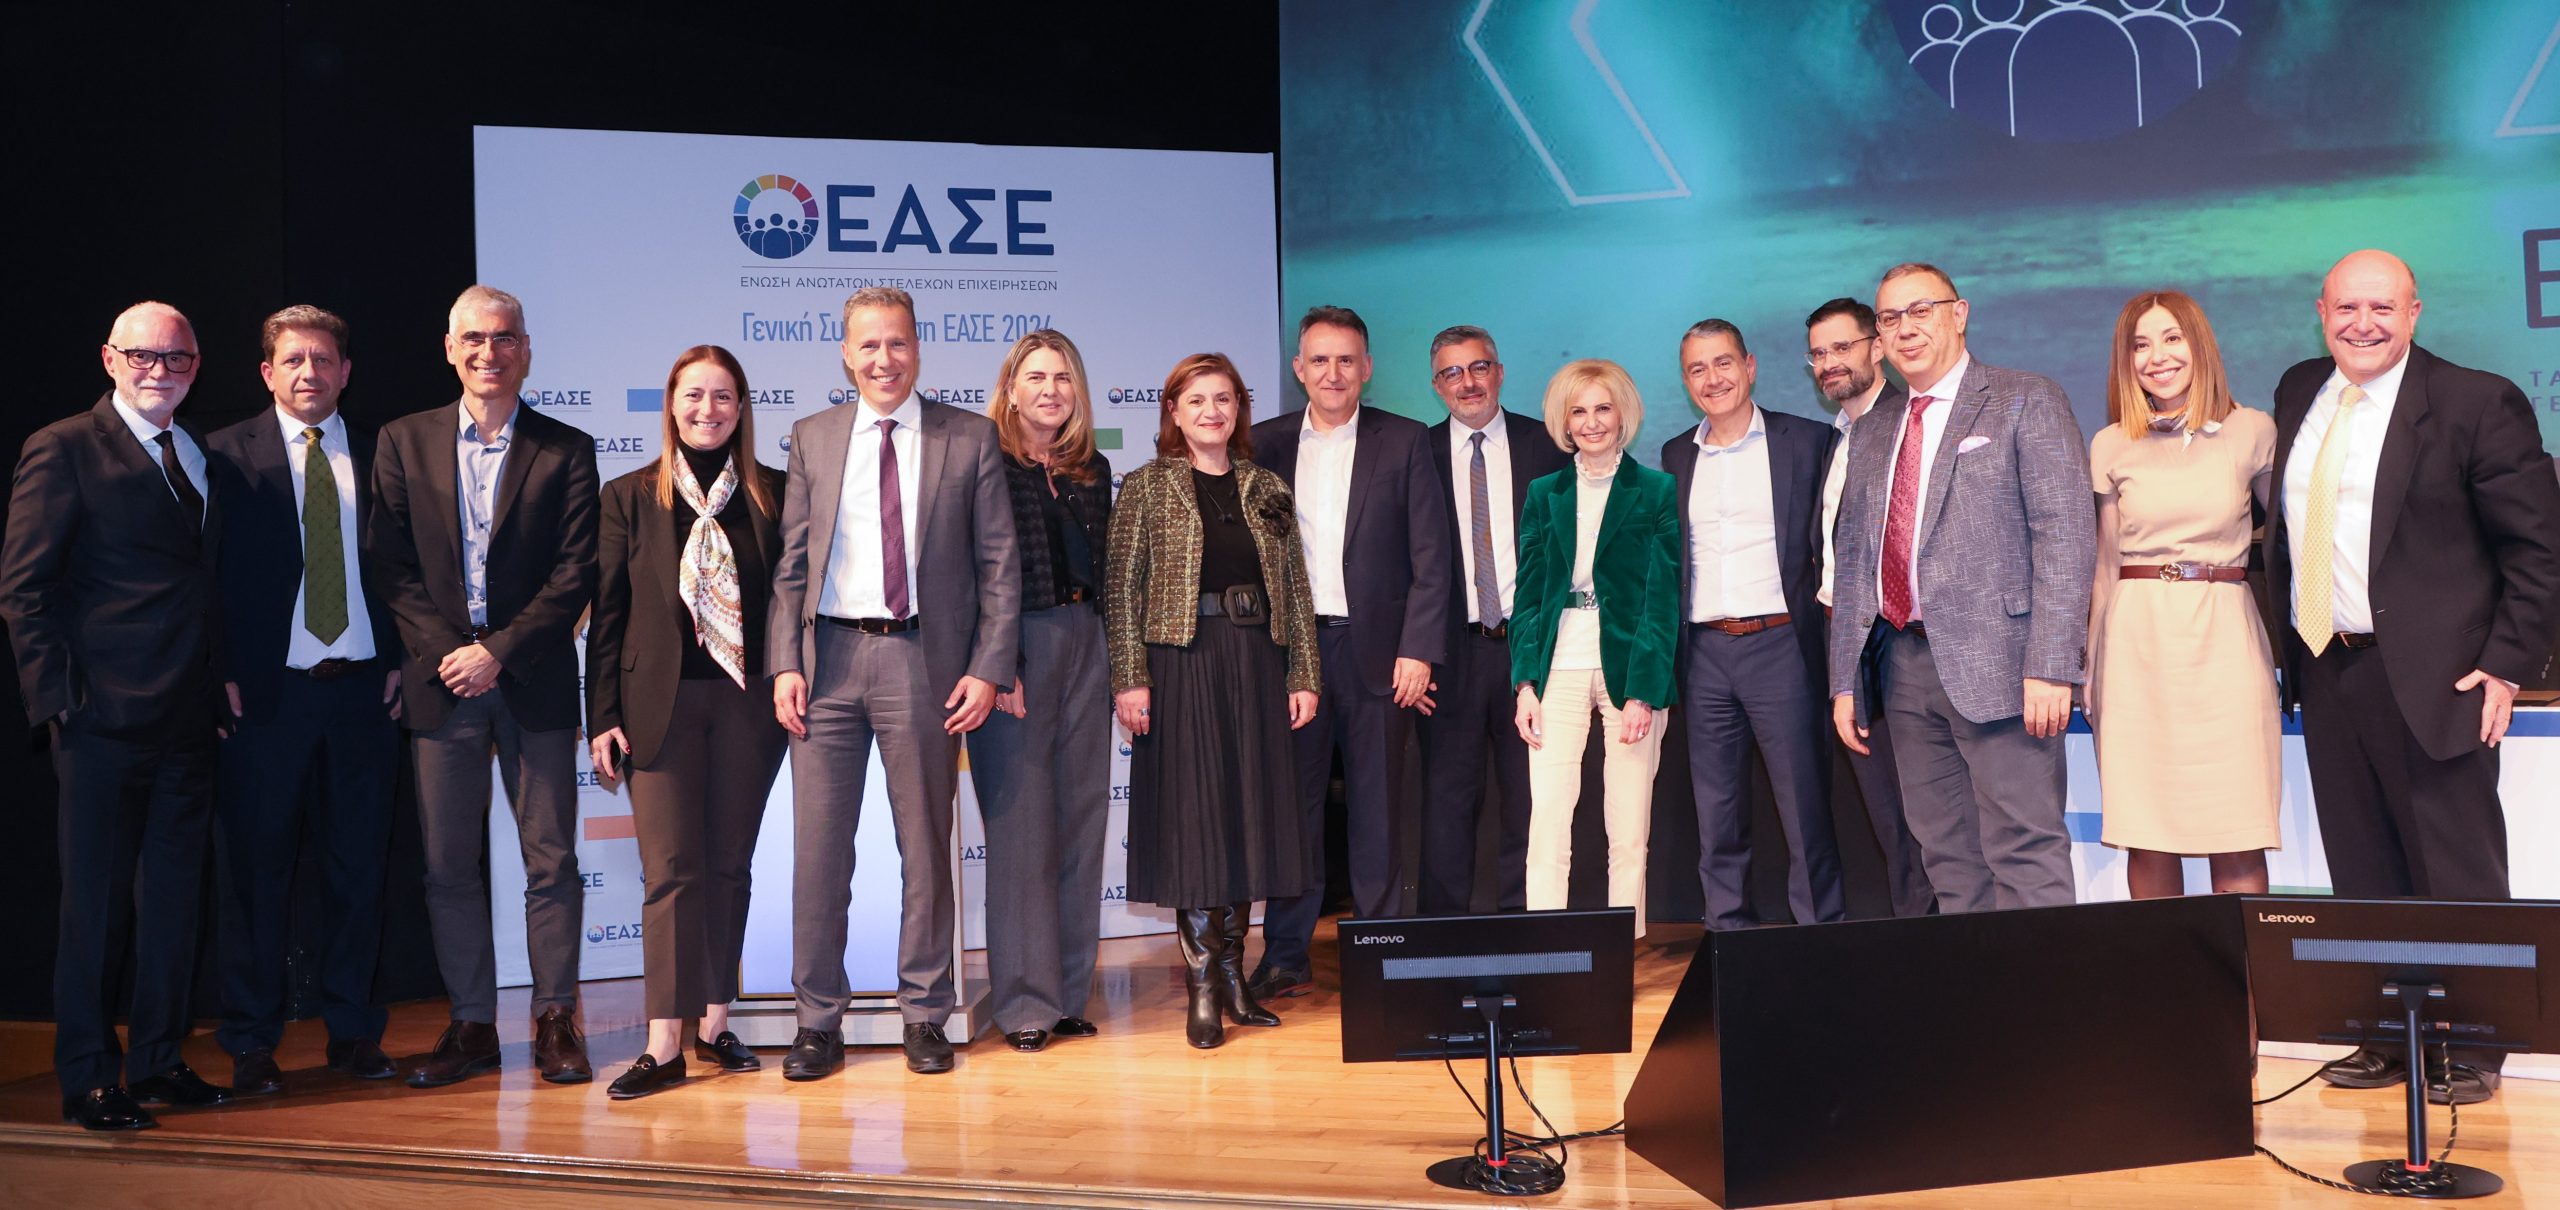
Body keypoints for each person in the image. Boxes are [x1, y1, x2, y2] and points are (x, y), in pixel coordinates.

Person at [2269, 250, 2560, 1105]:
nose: (2363, 324)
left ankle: (2474, 1044)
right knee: (2363, 868)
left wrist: (2506, 664)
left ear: (2415, 312)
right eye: (2346, 308)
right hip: (2328, 667)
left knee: (2455, 872)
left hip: (2444, 678)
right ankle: (2388, 1034)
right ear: (2321, 311)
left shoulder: (2476, 402)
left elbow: (2538, 551)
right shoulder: (2298, 390)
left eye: (2382, 308)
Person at [769, 286, 1019, 1080]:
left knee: (925, 850)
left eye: (898, 343)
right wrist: (785, 662)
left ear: (918, 347)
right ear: (846, 354)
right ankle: (817, 1023)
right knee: (819, 855)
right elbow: (791, 566)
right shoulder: (811, 437)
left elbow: (1000, 566)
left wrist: (988, 667)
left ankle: (925, 1013)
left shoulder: (968, 438)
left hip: (924, 663)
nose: (884, 359)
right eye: (869, 345)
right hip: (829, 664)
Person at [1, 302, 233, 1130]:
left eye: (177, 358)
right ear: (110, 359)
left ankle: (160, 1060)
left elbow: (202, 584)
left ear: (196, 366)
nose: (159, 370)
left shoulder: (199, 452)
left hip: (188, 720)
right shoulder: (63, 447)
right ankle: (90, 1074)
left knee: (173, 903)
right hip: (100, 721)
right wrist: (59, 701)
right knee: (96, 908)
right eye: (143, 356)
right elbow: (23, 589)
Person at [371, 284, 600, 1088]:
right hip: (442, 683)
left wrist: (497, 651)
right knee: (447, 866)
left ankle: (554, 1018)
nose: (488, 353)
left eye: (504, 338)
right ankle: (471, 1024)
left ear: (525, 350)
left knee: (552, 861)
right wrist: (451, 654)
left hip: (532, 678)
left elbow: (576, 572)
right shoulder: (402, 440)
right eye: (473, 338)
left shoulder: (566, 449)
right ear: (449, 348)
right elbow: (391, 565)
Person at [1828, 263, 2094, 914]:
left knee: (2025, 848)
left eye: (1921, 310)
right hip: (1903, 668)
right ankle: (1978, 981)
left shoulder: (2024, 398)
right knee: (1945, 854)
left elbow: (2065, 536)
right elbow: (1854, 560)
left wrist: (2051, 666)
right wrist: (1845, 682)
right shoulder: (1873, 430)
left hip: (2006, 669)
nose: (1905, 328)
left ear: (1959, 313)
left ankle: (2044, 984)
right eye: (1889, 318)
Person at [204, 305, 403, 1097]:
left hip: (362, 695)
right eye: (293, 359)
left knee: (358, 870)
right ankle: (252, 1039)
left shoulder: (385, 454)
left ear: (346, 372)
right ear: (267, 372)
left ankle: (352, 1030)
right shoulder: (222, 455)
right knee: (256, 872)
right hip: (266, 699)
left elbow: (410, 569)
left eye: (323, 359)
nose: (309, 372)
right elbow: (205, 575)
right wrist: (218, 668)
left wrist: (402, 658)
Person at [586, 345, 788, 1100]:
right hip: (657, 710)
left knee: (729, 866)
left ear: (742, 408)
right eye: (694, 395)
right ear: (671, 404)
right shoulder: (628, 496)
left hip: (747, 706)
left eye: (723, 396)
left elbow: (790, 602)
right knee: (672, 871)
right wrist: (602, 715)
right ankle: (662, 1043)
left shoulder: (774, 493)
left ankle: (714, 1024)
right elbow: (607, 616)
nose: (708, 410)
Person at [1107, 352, 1320, 1049]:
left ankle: (1234, 978)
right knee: (1197, 820)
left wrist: (1303, 674)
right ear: (1173, 411)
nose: (1211, 411)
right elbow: (1122, 590)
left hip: (1257, 659)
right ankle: (1202, 986)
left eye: (1223, 399)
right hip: (1182, 663)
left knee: (1249, 817)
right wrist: (1129, 677)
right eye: (1196, 400)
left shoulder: (1266, 486)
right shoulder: (1146, 487)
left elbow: (1295, 588)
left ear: (1239, 409)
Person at [1247, 306, 1451, 1000]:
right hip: (1293, 656)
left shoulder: (1406, 440)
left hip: (1380, 656)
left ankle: (1381, 952)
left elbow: (1432, 555)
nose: (1332, 373)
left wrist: (1418, 648)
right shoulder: (1264, 444)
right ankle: (1285, 955)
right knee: (1294, 808)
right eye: (1319, 360)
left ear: (1366, 368)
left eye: (1345, 360)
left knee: (1378, 809)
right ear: (1298, 369)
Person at [2084, 291, 2279, 898]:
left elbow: (2292, 542)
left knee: (2237, 825)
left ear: (2200, 345)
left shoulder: (2253, 430)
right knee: (2147, 830)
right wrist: (2091, 664)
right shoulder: (2110, 443)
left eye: (2172, 338)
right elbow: (2106, 564)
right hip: (2136, 644)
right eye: (2140, 345)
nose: (2157, 356)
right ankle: (2160, 963)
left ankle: (2246, 964)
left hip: (2223, 636)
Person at [1660, 320, 1844, 929]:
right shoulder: (1675, 455)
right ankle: (1728, 940)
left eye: (1723, 363)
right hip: (1704, 654)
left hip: (1781, 646)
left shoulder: (1808, 441)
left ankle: (1820, 939)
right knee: (1717, 815)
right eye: (1697, 369)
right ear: (1686, 381)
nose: (1712, 379)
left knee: (1803, 809)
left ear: (1750, 366)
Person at [971, 330, 1115, 1053]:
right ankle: (1025, 1004)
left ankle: (1065, 996)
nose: (1051, 390)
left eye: (1062, 377)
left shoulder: (1092, 469)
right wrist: (997, 665)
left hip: (1089, 638)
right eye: (1036, 377)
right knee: (1023, 832)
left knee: (1082, 821)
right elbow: (971, 573)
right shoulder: (985, 463)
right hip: (1016, 650)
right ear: (1010, 387)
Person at [1510, 359, 1679, 935]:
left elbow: (1661, 600)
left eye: (1603, 408)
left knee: (1628, 824)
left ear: (1623, 413)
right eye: (1578, 411)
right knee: (1548, 818)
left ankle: (1620, 946)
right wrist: (1525, 683)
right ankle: (1544, 943)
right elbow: (1528, 595)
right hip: (1557, 666)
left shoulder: (1655, 490)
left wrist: (1644, 693)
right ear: (1563, 421)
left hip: (1629, 672)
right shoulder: (1543, 493)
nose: (1591, 422)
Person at [1419, 325, 1567, 915]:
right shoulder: (1417, 452)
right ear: (1437, 386)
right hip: (1448, 653)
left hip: (1526, 650)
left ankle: (1522, 924)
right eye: (1452, 373)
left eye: (1479, 367)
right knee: (1446, 802)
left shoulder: (1548, 446)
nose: (1468, 382)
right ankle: (1444, 933)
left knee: (1529, 797)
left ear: (1500, 373)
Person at [1806, 298, 1933, 918]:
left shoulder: (1907, 424)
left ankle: (1939, 943)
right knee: (1889, 817)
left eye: (1843, 347)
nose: (1830, 363)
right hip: (1846, 642)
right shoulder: (1837, 436)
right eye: (1818, 354)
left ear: (1877, 348)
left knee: (1921, 815)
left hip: (1897, 642)